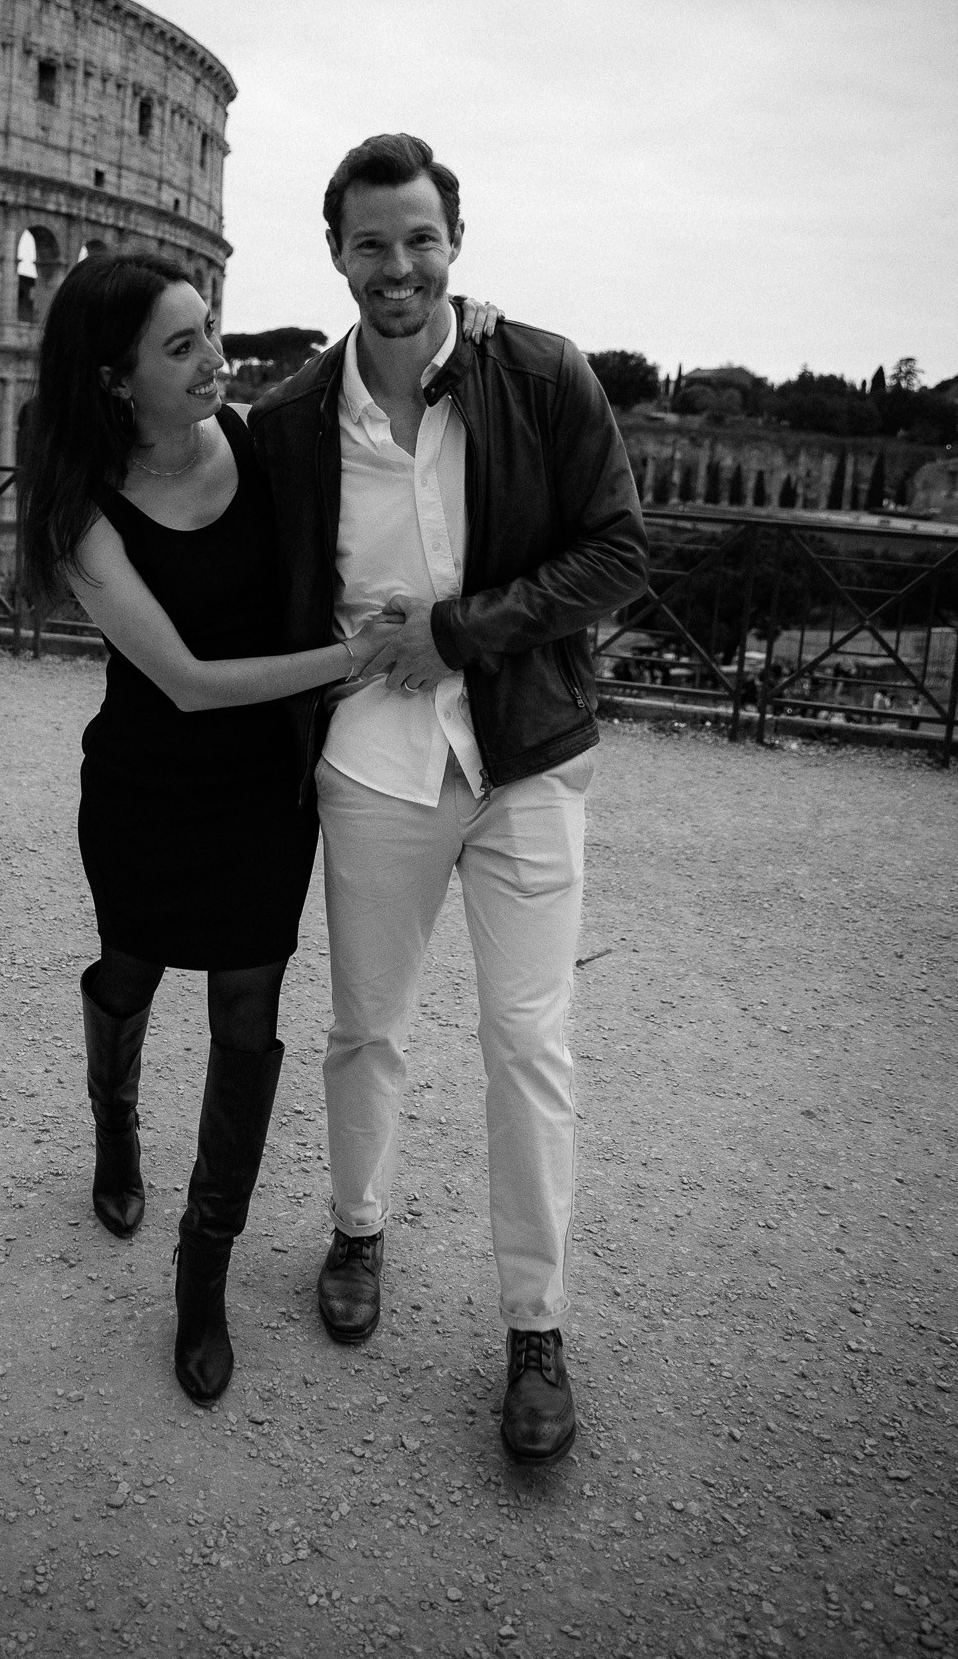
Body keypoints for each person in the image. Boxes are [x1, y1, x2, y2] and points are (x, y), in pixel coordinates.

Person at [18, 250, 499, 1409]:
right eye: (181, 346)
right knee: (129, 972)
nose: (214, 360)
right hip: (146, 787)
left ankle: (204, 1269)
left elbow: (373, 393)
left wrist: (465, 327)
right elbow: (185, 680)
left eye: (211, 331)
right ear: (115, 378)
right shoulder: (83, 510)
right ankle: (115, 1122)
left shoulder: (263, 439)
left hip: (262, 792)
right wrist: (354, 658)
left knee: (248, 1013)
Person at [249, 135, 649, 1463]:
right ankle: (357, 1229)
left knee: (528, 1041)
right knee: (366, 1026)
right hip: (373, 760)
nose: (398, 266)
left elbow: (618, 551)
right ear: (336, 253)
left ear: (454, 242)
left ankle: (536, 1326)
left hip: (525, 753)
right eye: (371, 242)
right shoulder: (292, 422)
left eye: (419, 237)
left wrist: (458, 632)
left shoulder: (542, 373)